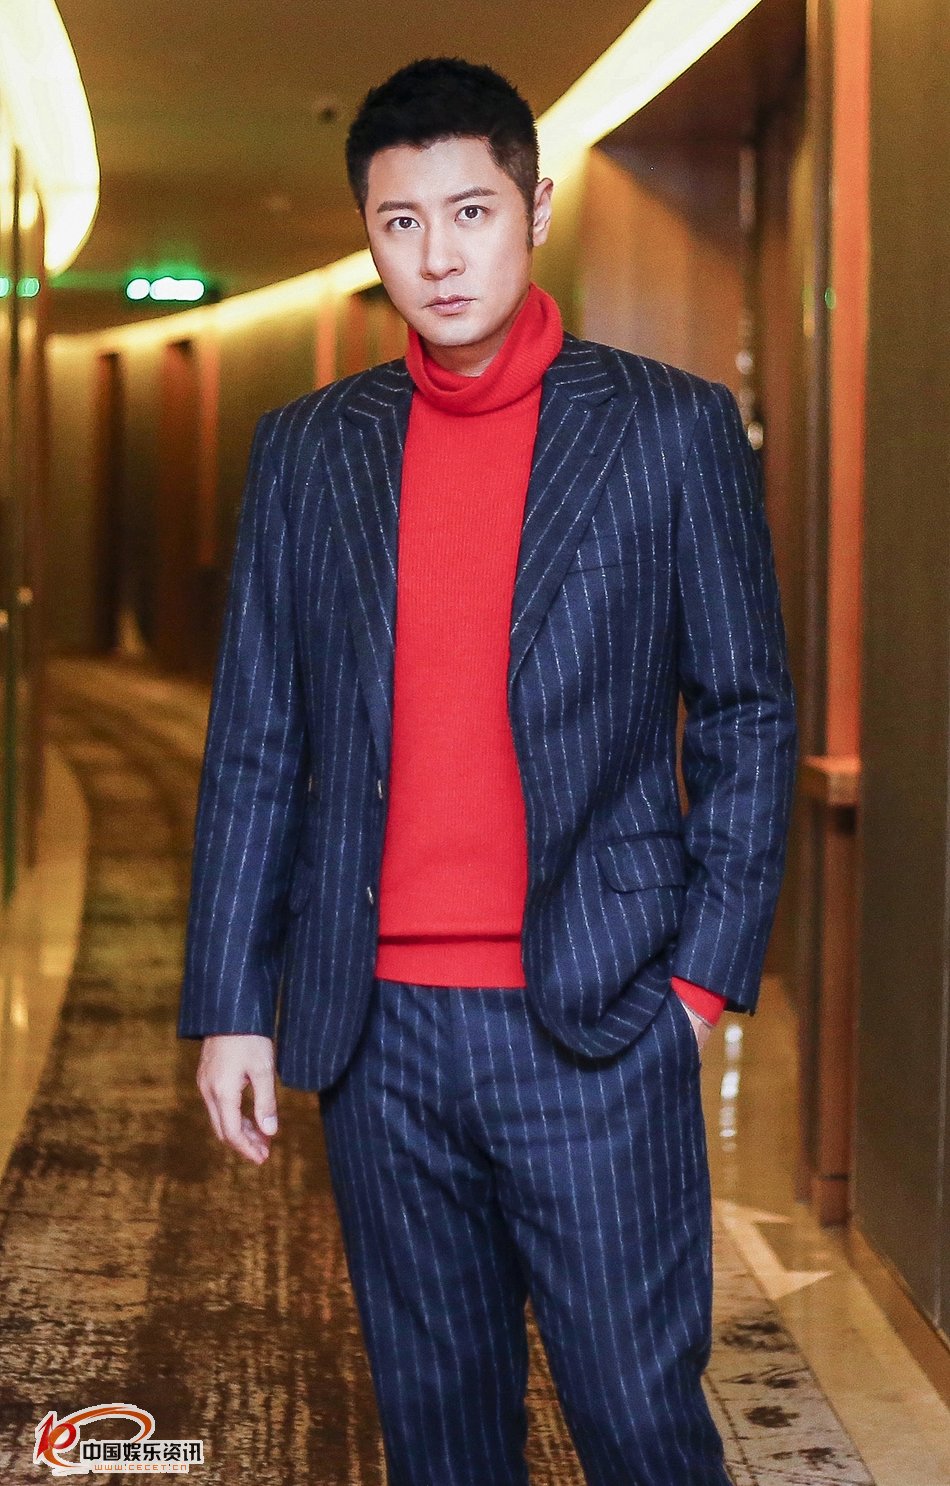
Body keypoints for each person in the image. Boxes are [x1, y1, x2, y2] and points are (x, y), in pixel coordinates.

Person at [178, 55, 797, 1486]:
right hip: (376, 1031)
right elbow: (258, 737)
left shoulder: (666, 428)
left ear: (535, 209)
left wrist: (698, 985)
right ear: (368, 235)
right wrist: (231, 1004)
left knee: (637, 1421)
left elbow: (748, 712)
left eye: (471, 212)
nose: (439, 256)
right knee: (441, 1430)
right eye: (401, 223)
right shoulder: (308, 452)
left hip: (594, 1016)